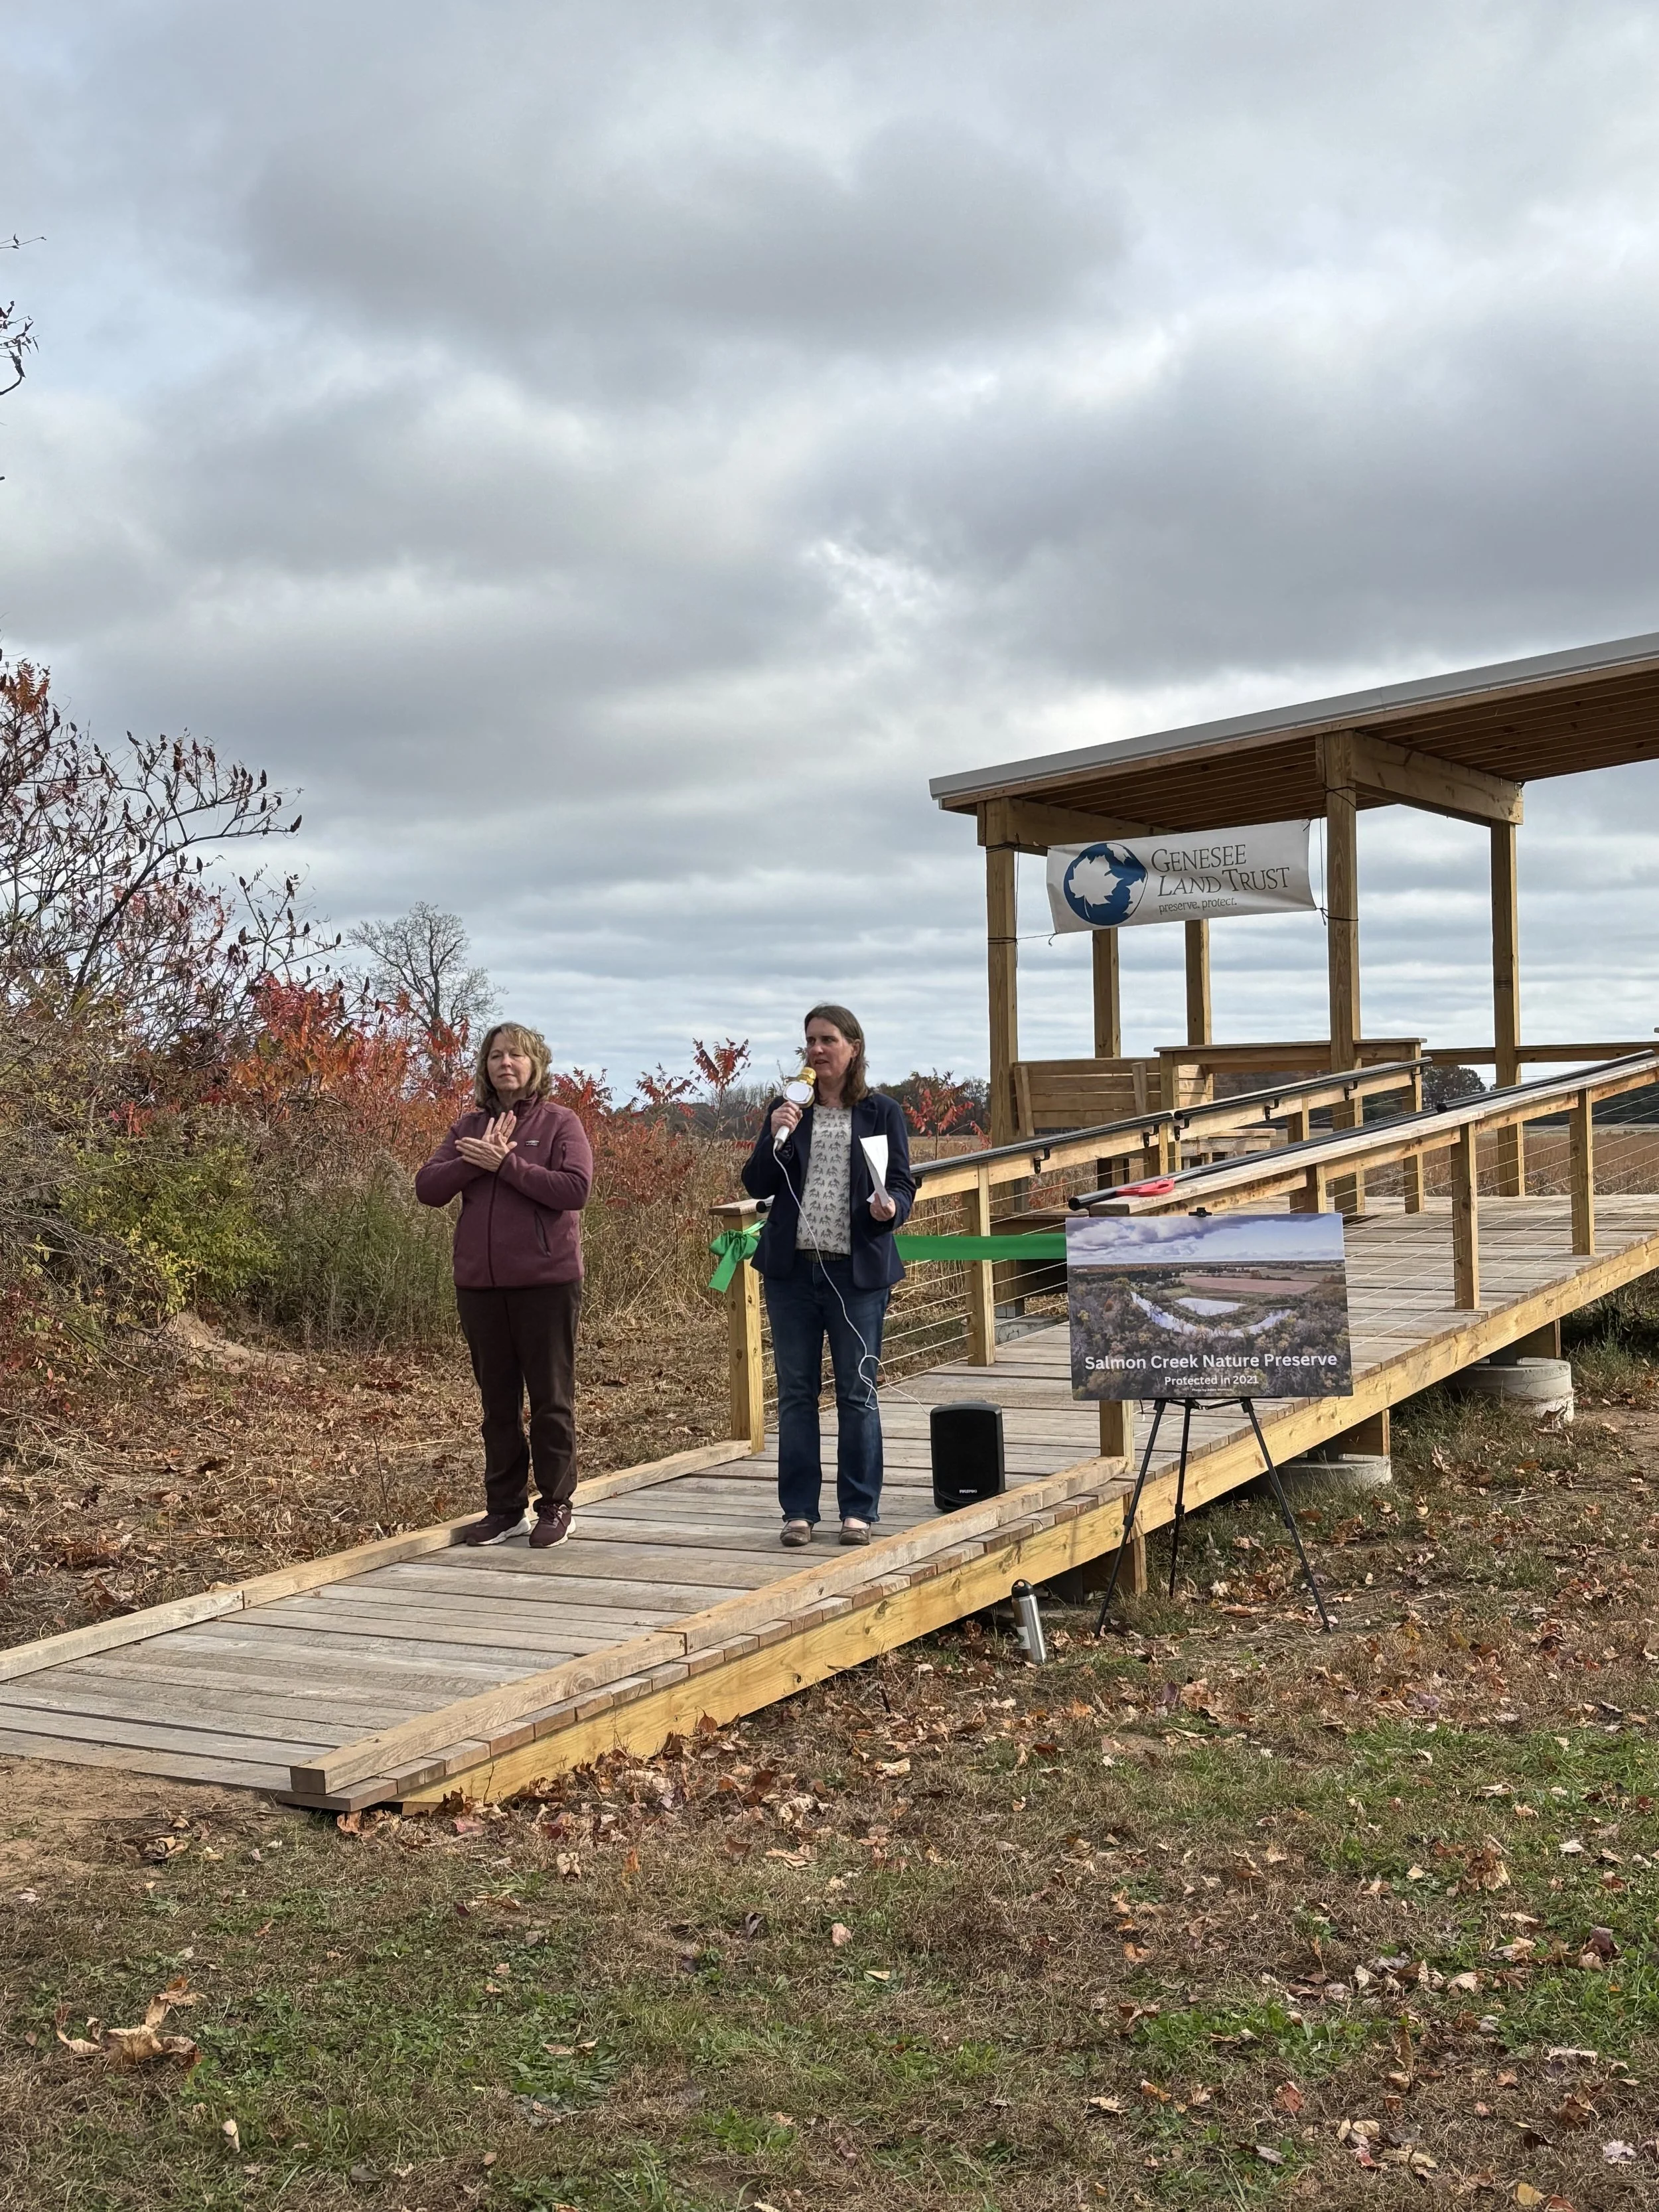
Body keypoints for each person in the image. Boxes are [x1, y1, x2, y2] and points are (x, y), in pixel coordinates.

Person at [741, 1003, 915, 1548]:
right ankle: (798, 1511)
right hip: (793, 1273)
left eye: (828, 1040)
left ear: (853, 1047)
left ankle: (858, 1510)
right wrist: (777, 1133)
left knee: (857, 1390)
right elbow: (756, 1181)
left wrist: (893, 1210)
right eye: (810, 1041)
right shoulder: (789, 1109)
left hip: (856, 1273)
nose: (816, 1050)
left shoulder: (882, 1111)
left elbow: (904, 1183)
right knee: (796, 1393)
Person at [415, 1021, 593, 1548]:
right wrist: (475, 1160)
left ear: (536, 1063)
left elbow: (575, 1188)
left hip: (546, 1283)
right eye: (496, 1056)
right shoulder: (467, 1126)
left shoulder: (561, 1122)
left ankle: (557, 1505)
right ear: (485, 1067)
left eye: (516, 1055)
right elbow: (427, 1188)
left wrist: (508, 1164)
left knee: (550, 1400)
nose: (505, 1063)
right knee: (497, 1404)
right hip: (481, 1286)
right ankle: (504, 1509)